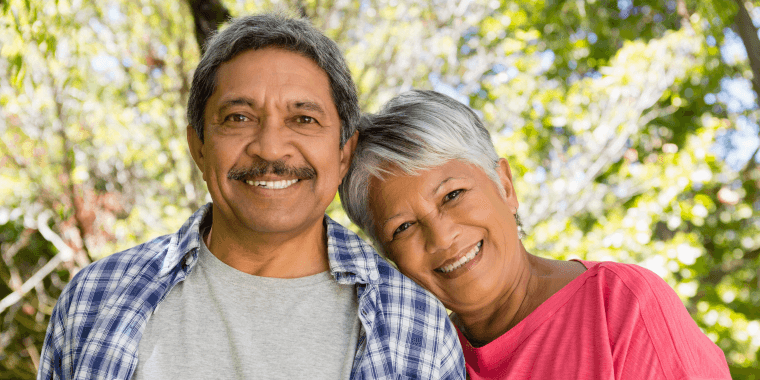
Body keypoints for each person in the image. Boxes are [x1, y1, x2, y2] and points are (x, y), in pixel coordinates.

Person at [37, 15, 465, 380]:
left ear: (343, 153)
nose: (271, 148)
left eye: (304, 118)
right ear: (199, 147)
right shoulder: (93, 300)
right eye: (239, 118)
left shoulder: (418, 327)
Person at [339, 89, 732, 379]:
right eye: (403, 227)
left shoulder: (619, 304)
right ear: (388, 257)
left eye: (452, 195)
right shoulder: (419, 361)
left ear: (505, 186)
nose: (441, 237)